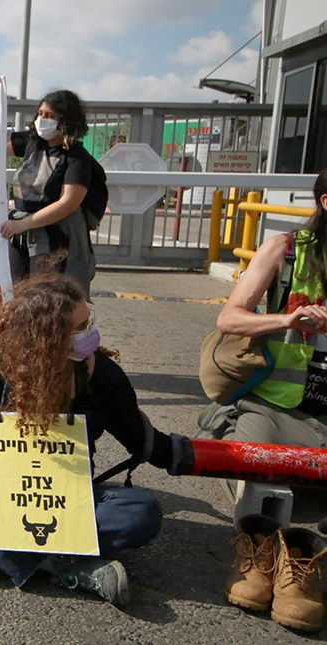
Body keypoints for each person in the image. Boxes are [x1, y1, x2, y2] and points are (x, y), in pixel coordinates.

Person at [0, 273, 179, 605]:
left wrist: (205, 456)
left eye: (89, 322)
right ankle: (67, 566)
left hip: (74, 495)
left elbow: (140, 440)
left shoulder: (103, 375)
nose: (91, 333)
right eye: (79, 328)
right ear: (46, 337)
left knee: (143, 512)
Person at [213, 169, 327, 630]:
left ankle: (299, 556)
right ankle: (261, 547)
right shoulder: (286, 249)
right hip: (278, 403)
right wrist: (286, 320)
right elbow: (229, 318)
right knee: (248, 458)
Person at [0, 78, 102, 294]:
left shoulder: (76, 158)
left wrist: (25, 224)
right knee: (16, 293)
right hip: (20, 235)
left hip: (54, 240)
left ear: (65, 121)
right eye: (40, 114)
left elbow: (68, 203)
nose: (42, 119)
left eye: (49, 116)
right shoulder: (33, 144)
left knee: (45, 298)